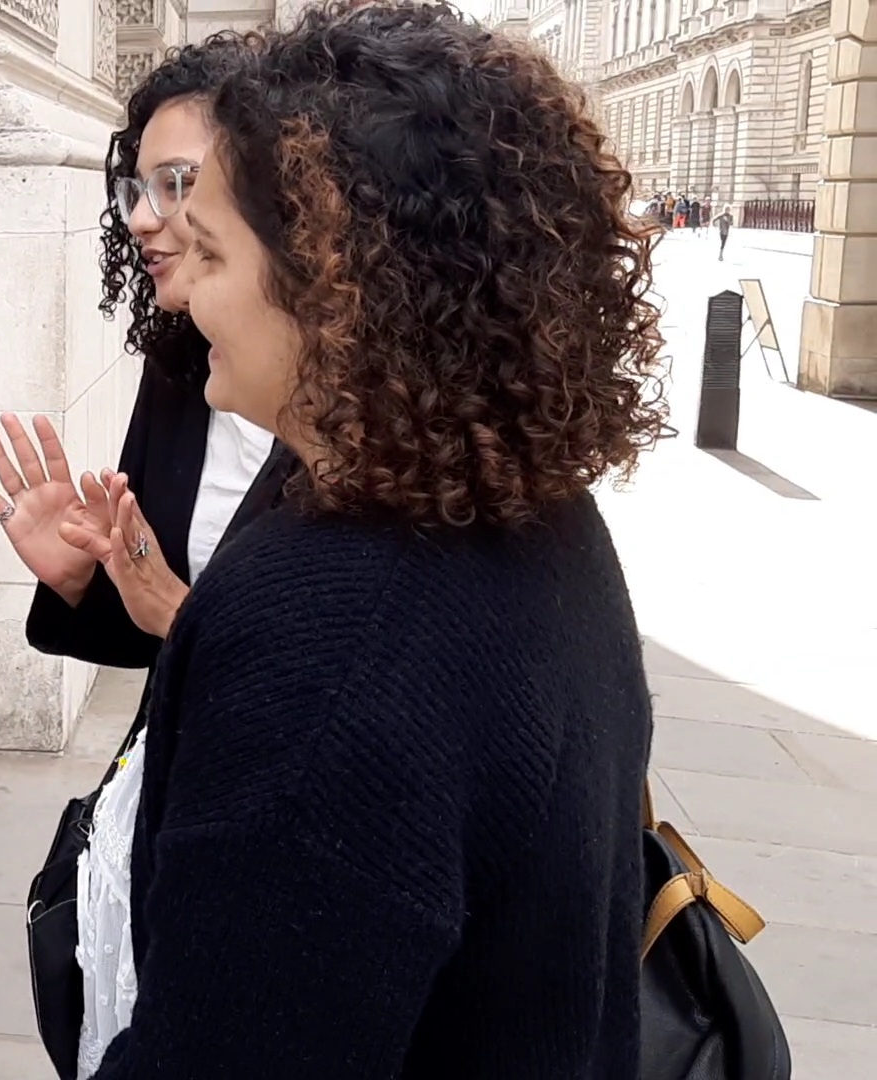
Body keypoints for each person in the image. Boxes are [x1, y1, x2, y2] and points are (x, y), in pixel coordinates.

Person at [75, 4, 665, 1077]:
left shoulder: (330, 637)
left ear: (336, 287)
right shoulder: (531, 506)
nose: (189, 293)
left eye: (211, 251)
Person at [0, 36, 287, 668]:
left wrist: (179, 612)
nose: (142, 218)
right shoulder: (181, 366)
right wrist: (84, 579)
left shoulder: (368, 419)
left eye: (177, 184)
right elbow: (149, 634)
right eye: (138, 188)